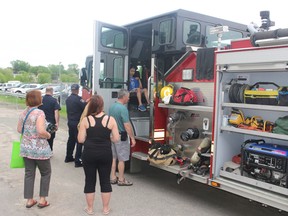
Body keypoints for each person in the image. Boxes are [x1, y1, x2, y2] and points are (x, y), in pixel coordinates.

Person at [78, 95, 120, 215]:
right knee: (105, 180)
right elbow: (116, 138)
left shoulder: (85, 120)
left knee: (90, 180)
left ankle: (90, 209)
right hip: (105, 153)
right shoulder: (110, 120)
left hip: (89, 153)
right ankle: (105, 209)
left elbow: (80, 140)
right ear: (102, 106)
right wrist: (107, 138)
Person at [17, 90, 52, 209]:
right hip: (39, 149)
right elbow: (41, 131)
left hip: (26, 148)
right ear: (38, 99)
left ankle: (29, 200)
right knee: (46, 173)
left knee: (29, 174)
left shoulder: (23, 112)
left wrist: (28, 133)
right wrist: (48, 135)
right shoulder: (39, 113)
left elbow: (18, 129)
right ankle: (42, 200)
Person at [109, 89, 136, 186]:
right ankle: (121, 179)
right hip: (121, 136)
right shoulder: (123, 109)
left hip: (112, 135)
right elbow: (127, 125)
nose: (129, 98)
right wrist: (132, 138)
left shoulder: (112, 107)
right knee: (121, 159)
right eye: (128, 97)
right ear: (124, 97)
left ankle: (112, 177)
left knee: (113, 158)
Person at [65, 84, 87, 167]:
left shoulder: (68, 99)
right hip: (77, 123)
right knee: (79, 141)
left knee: (71, 139)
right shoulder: (79, 99)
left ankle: (68, 157)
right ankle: (78, 161)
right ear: (78, 90)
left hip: (70, 122)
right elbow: (85, 107)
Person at [39, 86, 61, 152]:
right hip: (51, 123)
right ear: (52, 92)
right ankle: (49, 151)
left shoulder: (41, 100)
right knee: (50, 138)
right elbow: (56, 112)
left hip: (41, 122)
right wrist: (57, 123)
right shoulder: (54, 100)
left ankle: (41, 150)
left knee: (42, 137)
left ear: (46, 91)